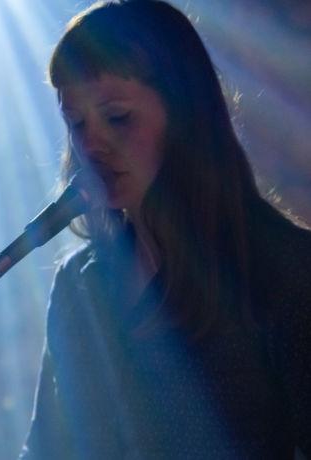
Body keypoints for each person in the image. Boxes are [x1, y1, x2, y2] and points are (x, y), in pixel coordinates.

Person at [19, 1, 311, 458]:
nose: (90, 144)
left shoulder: (286, 272)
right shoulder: (81, 287)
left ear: (186, 114)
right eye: (76, 124)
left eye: (117, 117)